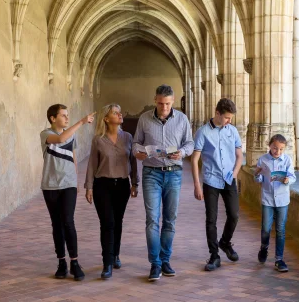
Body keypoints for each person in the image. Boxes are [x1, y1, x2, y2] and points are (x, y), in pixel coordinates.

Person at [133, 84, 194, 281]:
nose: (164, 107)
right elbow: (135, 142)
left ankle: (165, 259)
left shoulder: (182, 119)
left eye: (167, 104)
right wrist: (139, 152)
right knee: (152, 219)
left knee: (169, 219)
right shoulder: (144, 119)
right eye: (160, 103)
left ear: (173, 101)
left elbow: (190, 143)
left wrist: (182, 152)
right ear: (155, 100)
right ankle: (155, 264)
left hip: (174, 173)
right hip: (151, 172)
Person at [40, 104, 95, 281]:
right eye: (63, 115)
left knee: (68, 222)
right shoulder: (46, 134)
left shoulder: (72, 133)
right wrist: (82, 121)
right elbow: (61, 138)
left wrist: (76, 180)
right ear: (52, 118)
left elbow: (73, 157)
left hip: (68, 185)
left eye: (67, 115)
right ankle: (61, 263)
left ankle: (75, 262)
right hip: (50, 185)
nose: (66, 118)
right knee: (56, 224)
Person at [84, 103, 139, 279]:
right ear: (106, 119)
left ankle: (115, 254)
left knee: (118, 222)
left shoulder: (128, 137)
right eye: (115, 113)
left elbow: (134, 161)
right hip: (102, 186)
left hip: (122, 186)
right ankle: (107, 263)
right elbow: (92, 164)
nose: (120, 114)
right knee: (107, 223)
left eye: (119, 112)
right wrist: (89, 187)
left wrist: (134, 183)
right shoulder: (98, 139)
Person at [191, 98, 243, 271]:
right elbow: (195, 159)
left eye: (231, 118)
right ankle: (214, 256)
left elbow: (239, 156)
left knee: (234, 215)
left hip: (229, 179)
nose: (229, 121)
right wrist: (197, 185)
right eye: (227, 117)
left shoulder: (233, 131)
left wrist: (234, 174)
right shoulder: (203, 132)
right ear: (217, 113)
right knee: (211, 220)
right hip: (211, 180)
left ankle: (225, 242)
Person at [253, 134, 297, 272]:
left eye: (281, 149)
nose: (277, 151)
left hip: (283, 199)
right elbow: (258, 180)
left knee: (280, 230)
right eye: (275, 148)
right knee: (266, 227)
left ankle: (279, 259)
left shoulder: (287, 160)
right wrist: (257, 174)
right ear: (270, 146)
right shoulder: (263, 160)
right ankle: (264, 248)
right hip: (268, 199)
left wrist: (287, 180)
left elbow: (293, 177)